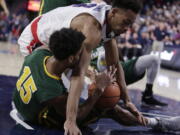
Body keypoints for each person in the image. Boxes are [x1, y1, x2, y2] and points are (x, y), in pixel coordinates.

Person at [13, 28, 180, 134]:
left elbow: (70, 62)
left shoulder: (39, 53)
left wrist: (90, 73)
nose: (84, 57)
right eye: (81, 54)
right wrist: (98, 92)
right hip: (37, 115)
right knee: (108, 106)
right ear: (72, 57)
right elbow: (76, 117)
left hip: (23, 100)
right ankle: (158, 124)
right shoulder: (52, 93)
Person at [17, 0, 149, 134]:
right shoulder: (91, 29)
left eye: (130, 24)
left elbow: (114, 64)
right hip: (36, 39)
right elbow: (78, 75)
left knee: (77, 84)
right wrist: (71, 120)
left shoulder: (111, 19)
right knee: (59, 89)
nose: (127, 29)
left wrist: (127, 100)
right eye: (126, 22)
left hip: (53, 29)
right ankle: (40, 105)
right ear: (113, 13)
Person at [97, 51, 168, 107]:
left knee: (154, 59)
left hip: (122, 68)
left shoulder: (107, 39)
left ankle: (148, 94)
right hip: (111, 75)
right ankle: (146, 96)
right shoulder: (94, 44)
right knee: (153, 59)